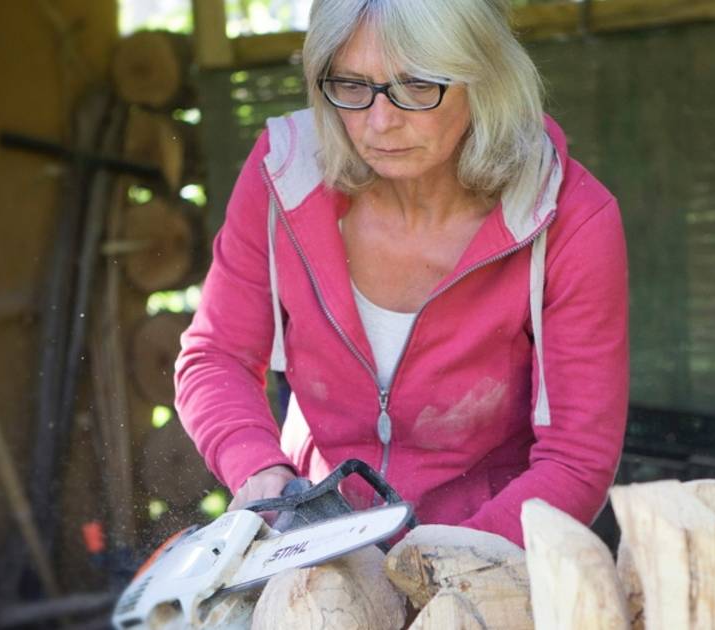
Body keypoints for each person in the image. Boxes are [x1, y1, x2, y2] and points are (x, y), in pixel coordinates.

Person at [175, 0, 628, 547]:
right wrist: (261, 474)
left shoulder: (568, 217)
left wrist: (439, 565)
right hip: (315, 540)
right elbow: (215, 356)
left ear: (483, 75)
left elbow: (576, 461)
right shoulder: (284, 177)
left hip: (490, 548)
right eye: (352, 85)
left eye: (416, 85)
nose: (380, 122)